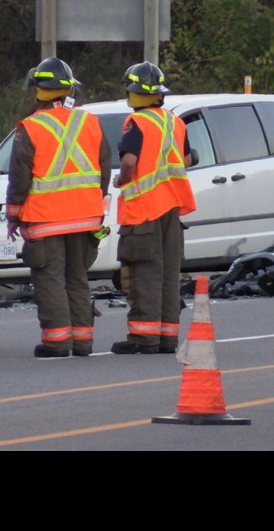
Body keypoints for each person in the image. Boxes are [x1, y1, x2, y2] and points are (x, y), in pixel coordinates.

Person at [6, 57, 112, 358]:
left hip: (46, 218)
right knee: (76, 278)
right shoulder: (89, 120)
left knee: (50, 278)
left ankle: (57, 341)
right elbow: (104, 167)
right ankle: (82, 341)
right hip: (87, 217)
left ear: (37, 89)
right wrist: (94, 202)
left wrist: (14, 216)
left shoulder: (31, 127)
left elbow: (20, 176)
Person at [111, 61, 197, 355]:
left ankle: (143, 338)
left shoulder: (136, 123)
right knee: (168, 275)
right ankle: (167, 338)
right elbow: (186, 160)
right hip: (172, 210)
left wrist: (121, 179)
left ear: (134, 93)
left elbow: (130, 162)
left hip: (144, 211)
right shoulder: (175, 122)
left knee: (143, 275)